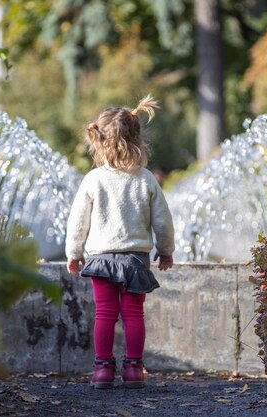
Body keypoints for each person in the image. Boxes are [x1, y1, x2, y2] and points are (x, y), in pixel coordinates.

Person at [65, 95, 175, 389]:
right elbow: (162, 220)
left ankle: (102, 370)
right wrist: (165, 251)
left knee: (104, 314)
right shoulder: (146, 179)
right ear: (137, 138)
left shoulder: (92, 179)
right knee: (133, 314)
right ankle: (133, 369)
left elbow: (78, 221)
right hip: (135, 260)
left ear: (97, 141)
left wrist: (74, 253)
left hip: (100, 258)